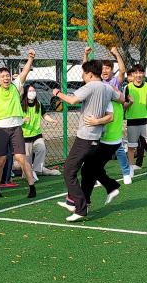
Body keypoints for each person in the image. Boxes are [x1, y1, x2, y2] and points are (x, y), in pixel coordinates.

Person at [50, 60, 120, 222]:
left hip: (85, 137)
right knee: (88, 171)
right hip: (96, 138)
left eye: (83, 73)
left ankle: (80, 208)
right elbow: (120, 100)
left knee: (68, 170)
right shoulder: (107, 88)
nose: (82, 76)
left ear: (89, 74)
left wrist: (57, 93)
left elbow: (72, 100)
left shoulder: (91, 86)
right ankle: (79, 201)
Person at [0, 48, 37, 198]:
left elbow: (24, 72)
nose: (6, 78)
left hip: (16, 128)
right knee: (1, 160)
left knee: (21, 158)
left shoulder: (16, 86)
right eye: (2, 76)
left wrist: (30, 58)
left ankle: (32, 187)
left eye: (7, 76)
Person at [87, 46, 132, 184]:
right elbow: (86, 72)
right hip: (100, 116)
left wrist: (116, 54)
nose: (105, 70)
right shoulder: (96, 82)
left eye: (108, 68)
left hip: (114, 117)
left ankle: (126, 172)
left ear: (112, 70)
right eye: (103, 68)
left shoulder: (115, 82)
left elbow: (122, 70)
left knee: (117, 147)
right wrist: (86, 55)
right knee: (98, 147)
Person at [21, 84, 59, 177]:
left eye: (33, 91)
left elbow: (44, 115)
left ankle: (37, 170)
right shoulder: (21, 105)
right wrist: (23, 120)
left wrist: (52, 120)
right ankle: (27, 173)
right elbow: (16, 121)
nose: (32, 93)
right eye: (30, 91)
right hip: (25, 136)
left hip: (37, 134)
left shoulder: (38, 103)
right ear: (25, 93)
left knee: (41, 149)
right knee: (27, 156)